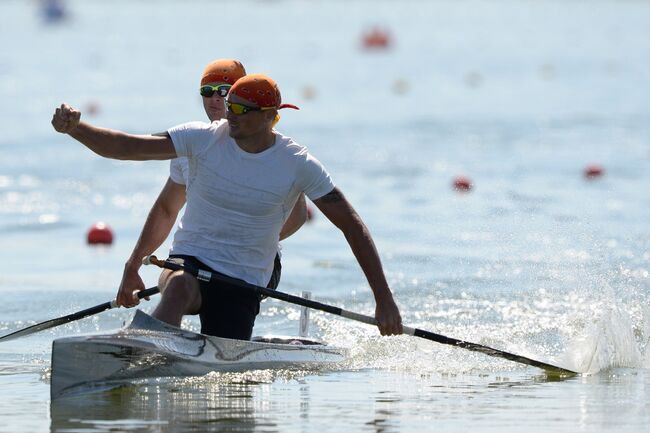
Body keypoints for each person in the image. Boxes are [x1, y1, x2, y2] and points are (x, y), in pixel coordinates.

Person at [51, 73, 403, 338]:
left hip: (244, 279)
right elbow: (127, 148)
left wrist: (383, 298)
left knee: (224, 349)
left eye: (240, 109)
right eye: (228, 104)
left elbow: (351, 224)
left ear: (269, 116)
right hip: (191, 259)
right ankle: (142, 347)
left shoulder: (296, 163)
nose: (228, 114)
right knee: (177, 288)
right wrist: (77, 129)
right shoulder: (203, 139)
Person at [117, 59, 307, 317]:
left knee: (220, 324)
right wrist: (133, 265)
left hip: (251, 265)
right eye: (208, 91)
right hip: (196, 260)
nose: (215, 98)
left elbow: (298, 217)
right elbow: (166, 209)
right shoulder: (191, 142)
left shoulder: (268, 148)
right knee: (177, 288)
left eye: (225, 91)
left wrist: (237, 245)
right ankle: (153, 344)